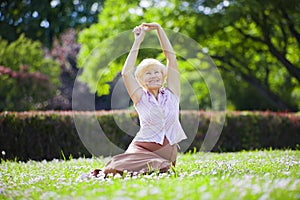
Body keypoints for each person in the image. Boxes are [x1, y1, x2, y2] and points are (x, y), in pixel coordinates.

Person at [93, 22, 187, 178]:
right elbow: (126, 73)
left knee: (163, 166)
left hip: (165, 156)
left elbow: (171, 58)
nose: (153, 76)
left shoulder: (172, 93)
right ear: (142, 80)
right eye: (148, 74)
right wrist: (138, 41)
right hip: (140, 149)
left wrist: (159, 29)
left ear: (163, 76)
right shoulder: (140, 97)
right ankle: (117, 168)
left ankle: (153, 167)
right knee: (116, 168)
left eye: (157, 72)